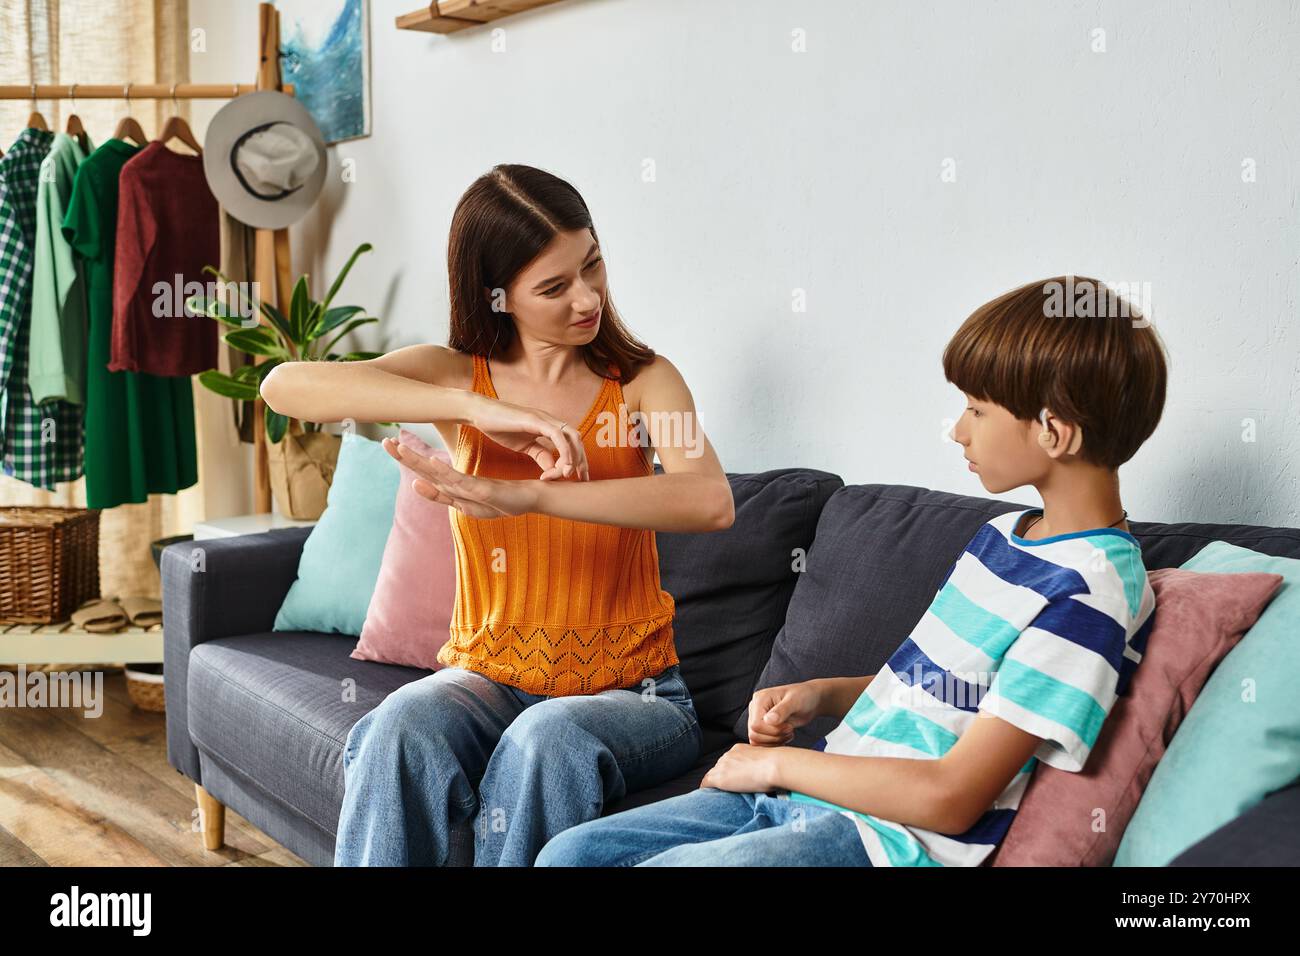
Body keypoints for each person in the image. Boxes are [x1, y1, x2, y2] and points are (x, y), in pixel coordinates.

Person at [534, 275, 1168, 867]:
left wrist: (773, 767)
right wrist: (822, 694)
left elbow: (953, 795)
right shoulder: (1006, 535)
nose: (957, 431)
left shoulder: (1090, 589)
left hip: (877, 837)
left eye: (977, 410)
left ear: (1053, 432)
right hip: (808, 795)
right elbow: (939, 686)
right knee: (566, 856)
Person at [260, 164, 734, 866]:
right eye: (554, 286)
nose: (587, 297)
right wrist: (476, 408)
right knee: (399, 727)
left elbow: (709, 499)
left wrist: (534, 495)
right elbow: (283, 386)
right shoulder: (457, 377)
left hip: (637, 695)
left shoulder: (641, 381)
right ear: (498, 296)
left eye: (593, 265)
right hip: (489, 678)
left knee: (549, 739)